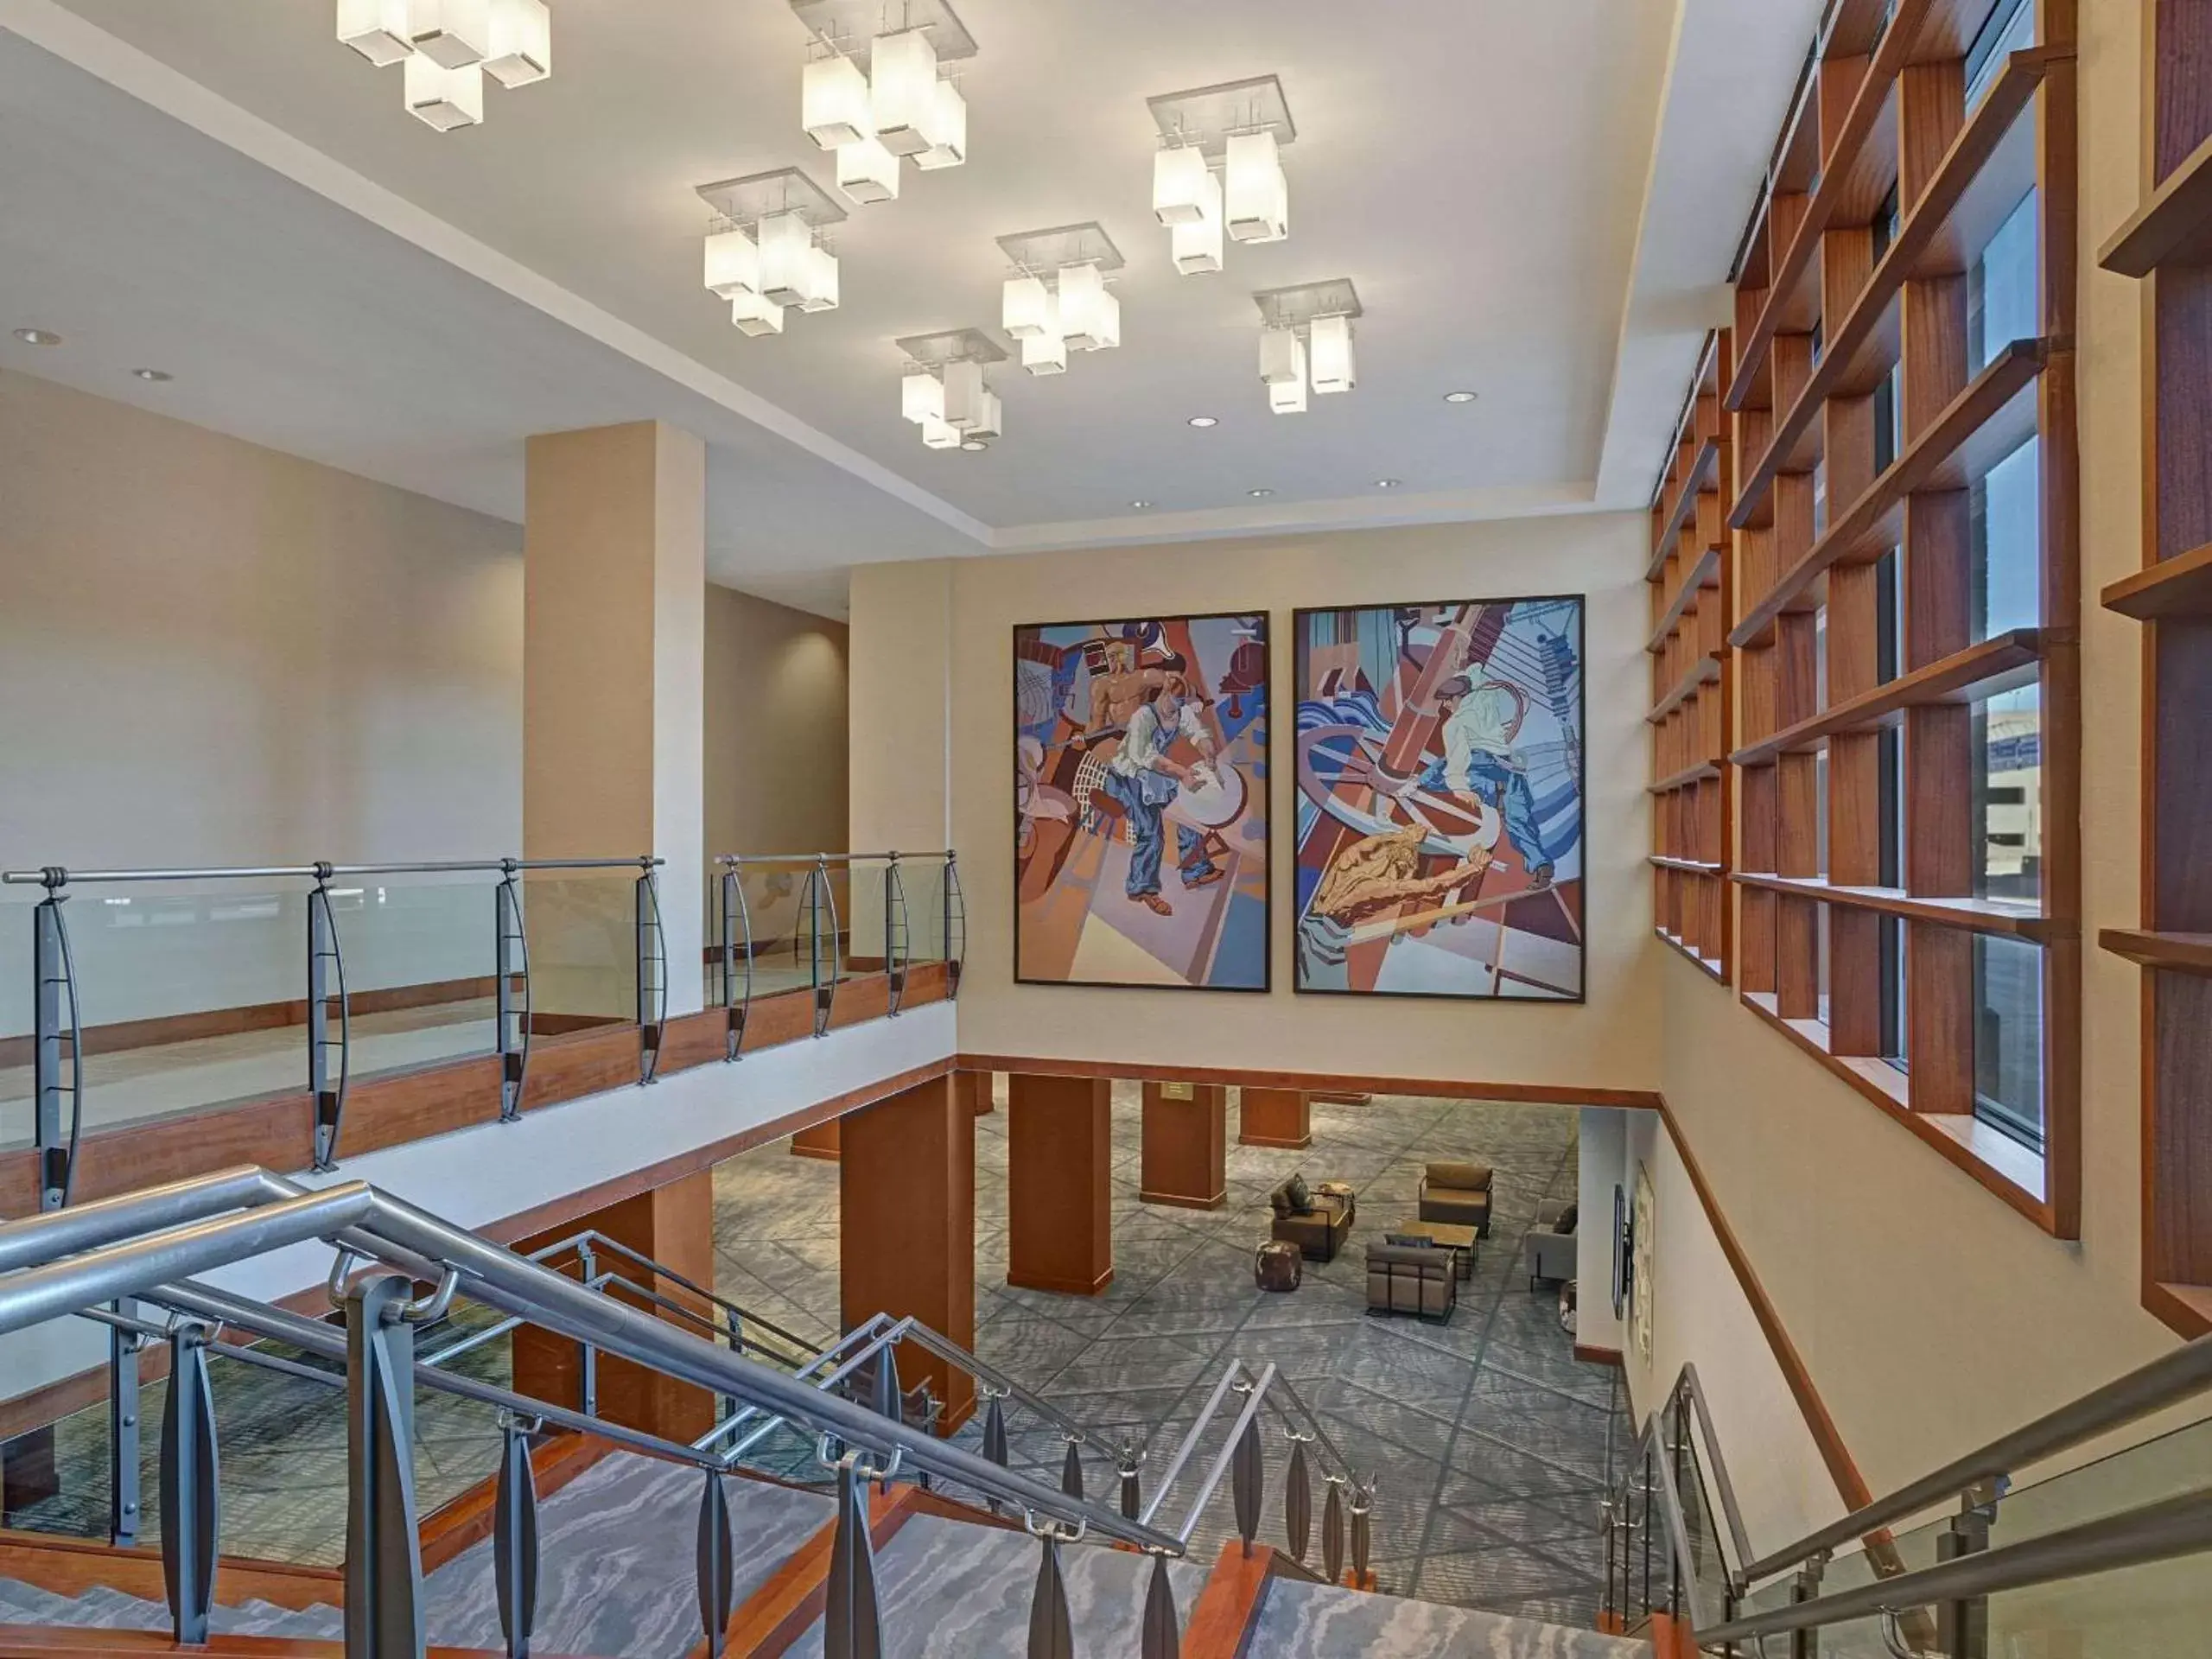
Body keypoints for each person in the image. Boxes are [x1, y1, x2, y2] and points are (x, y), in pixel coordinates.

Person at [1101, 672, 1223, 916]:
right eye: (1173, 702)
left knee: (1186, 810)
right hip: (1130, 776)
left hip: (1156, 775)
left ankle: (1196, 869)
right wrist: (1181, 772)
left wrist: (1208, 752)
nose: (1175, 709)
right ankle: (1142, 887)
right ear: (1165, 694)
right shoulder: (1143, 717)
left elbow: (1198, 734)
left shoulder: (1181, 712)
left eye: (1181, 704)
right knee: (1151, 832)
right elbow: (1143, 757)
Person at [1419, 672, 1554, 886]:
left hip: (1483, 772)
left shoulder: (1455, 723)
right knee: (1520, 821)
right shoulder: (1487, 700)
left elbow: (1456, 759)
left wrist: (1459, 788)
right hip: (1512, 772)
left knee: (1433, 775)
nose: (1444, 705)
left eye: (1446, 700)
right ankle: (1541, 866)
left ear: (1457, 698)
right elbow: (1477, 675)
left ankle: (1411, 786)